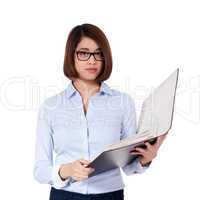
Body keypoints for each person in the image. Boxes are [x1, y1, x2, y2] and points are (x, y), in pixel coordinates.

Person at [33, 23, 167, 200]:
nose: (92, 60)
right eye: (84, 53)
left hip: (109, 195)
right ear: (71, 56)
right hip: (65, 195)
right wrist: (67, 170)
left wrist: (146, 158)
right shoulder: (51, 107)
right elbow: (40, 170)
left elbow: (129, 166)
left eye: (98, 53)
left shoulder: (122, 102)